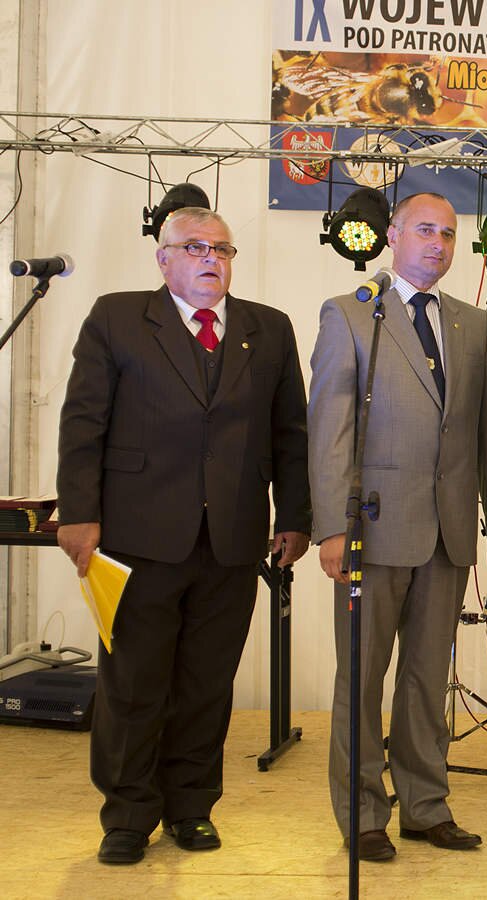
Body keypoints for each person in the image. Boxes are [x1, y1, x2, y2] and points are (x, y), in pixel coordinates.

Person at [56, 207, 311, 865]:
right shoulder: (117, 317)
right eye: (194, 247)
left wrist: (295, 516)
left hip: (232, 538)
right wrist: (78, 512)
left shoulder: (268, 328)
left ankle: (191, 808)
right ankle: (127, 815)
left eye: (222, 249)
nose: (210, 260)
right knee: (134, 683)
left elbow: (291, 432)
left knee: (206, 684)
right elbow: (83, 422)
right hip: (137, 534)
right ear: (163, 258)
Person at [308, 192, 487, 862]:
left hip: (448, 533)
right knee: (362, 679)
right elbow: (329, 431)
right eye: (425, 230)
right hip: (371, 529)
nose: (438, 243)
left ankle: (425, 807)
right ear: (392, 236)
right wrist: (330, 527)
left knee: (428, 680)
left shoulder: (472, 324)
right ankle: (363, 814)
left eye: (449, 234)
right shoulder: (350, 314)